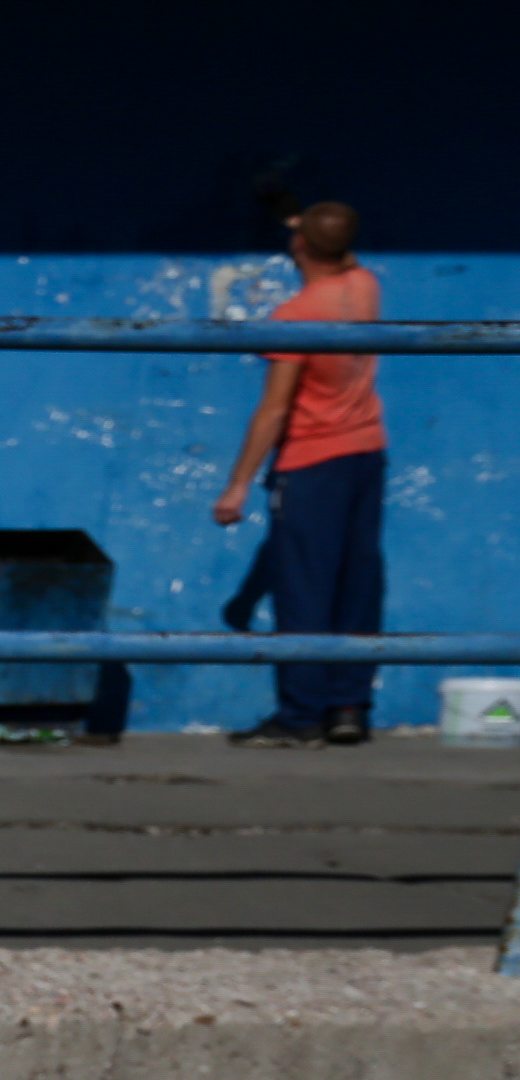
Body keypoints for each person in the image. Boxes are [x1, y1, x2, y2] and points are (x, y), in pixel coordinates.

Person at [213, 200, 385, 746]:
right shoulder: (364, 286)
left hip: (312, 463)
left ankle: (300, 715)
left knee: (304, 589)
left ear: (300, 245)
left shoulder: (296, 316)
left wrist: (238, 483)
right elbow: (341, 250)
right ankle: (347, 707)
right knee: (356, 585)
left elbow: (274, 410)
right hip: (367, 454)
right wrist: (306, 228)